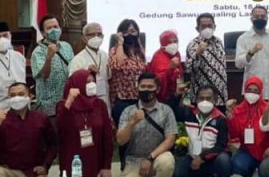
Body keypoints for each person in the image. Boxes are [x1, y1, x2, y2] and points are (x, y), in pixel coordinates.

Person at [115, 73, 177, 177]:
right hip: (134, 160)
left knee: (167, 160)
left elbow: (170, 139)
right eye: (143, 86)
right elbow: (120, 140)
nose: (146, 90)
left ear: (157, 89)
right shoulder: (128, 111)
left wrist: (150, 158)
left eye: (150, 87)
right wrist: (132, 122)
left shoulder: (166, 110)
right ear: (137, 88)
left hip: (156, 157)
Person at [0, 82, 56, 177]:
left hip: (33, 172)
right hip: (7, 171)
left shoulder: (41, 118)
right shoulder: (0, 120)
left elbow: (53, 144)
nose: (16, 98)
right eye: (12, 95)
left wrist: (45, 166)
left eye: (21, 94)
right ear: (8, 99)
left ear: (30, 97)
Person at [171, 85, 231, 177]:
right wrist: (177, 95)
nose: (204, 101)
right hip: (193, 156)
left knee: (224, 161)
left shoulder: (220, 119)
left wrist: (202, 157)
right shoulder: (189, 113)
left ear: (215, 100)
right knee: (177, 174)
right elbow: (171, 111)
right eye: (201, 98)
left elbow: (221, 145)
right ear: (196, 99)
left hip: (213, 158)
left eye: (208, 98)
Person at [226, 77, 269, 177]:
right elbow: (235, 135)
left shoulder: (268, 108)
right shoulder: (238, 109)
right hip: (247, 151)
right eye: (249, 90)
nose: (252, 93)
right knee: (237, 163)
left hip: (266, 152)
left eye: (256, 91)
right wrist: (231, 118)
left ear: (261, 92)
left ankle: (267, 172)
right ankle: (248, 174)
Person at [55, 69, 113, 177]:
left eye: (93, 81)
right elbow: (60, 128)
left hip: (96, 160)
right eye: (87, 82)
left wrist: (107, 166)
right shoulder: (64, 106)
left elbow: (107, 136)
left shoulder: (99, 105)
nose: (92, 84)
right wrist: (69, 101)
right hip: (73, 161)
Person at [108, 18, 146, 167]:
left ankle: (140, 167)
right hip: (122, 100)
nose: (130, 34)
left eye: (133, 31)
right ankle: (125, 167)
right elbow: (117, 66)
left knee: (140, 135)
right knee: (125, 137)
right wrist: (119, 43)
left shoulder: (138, 51)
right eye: (126, 31)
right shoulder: (115, 50)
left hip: (139, 100)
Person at [235, 5, 269, 99]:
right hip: (252, 90)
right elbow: (239, 64)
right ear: (251, 18)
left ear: (267, 18)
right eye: (256, 16)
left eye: (263, 16)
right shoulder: (243, 38)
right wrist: (251, 52)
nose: (260, 18)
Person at [31, 14, 74, 118]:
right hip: (49, 105)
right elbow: (44, 75)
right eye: (49, 28)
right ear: (43, 32)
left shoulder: (67, 46)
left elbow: (73, 69)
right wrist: (48, 58)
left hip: (67, 101)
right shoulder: (38, 52)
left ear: (60, 28)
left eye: (55, 27)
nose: (53, 30)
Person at [185, 13, 228, 107]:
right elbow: (189, 69)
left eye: (209, 26)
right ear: (197, 29)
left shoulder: (219, 42)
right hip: (202, 97)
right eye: (203, 26)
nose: (207, 28)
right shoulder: (193, 44)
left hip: (220, 96)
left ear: (214, 27)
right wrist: (198, 54)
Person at [68, 22, 110, 106]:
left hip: (105, 100)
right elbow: (73, 85)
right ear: (84, 38)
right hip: (87, 103)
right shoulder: (77, 60)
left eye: (99, 34)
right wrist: (87, 73)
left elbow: (109, 78)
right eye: (92, 35)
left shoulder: (105, 55)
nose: (96, 37)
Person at [149, 30, 184, 105]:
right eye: (169, 42)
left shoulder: (176, 54)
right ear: (163, 43)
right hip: (163, 98)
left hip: (177, 94)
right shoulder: (158, 56)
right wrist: (170, 68)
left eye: (175, 41)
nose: (173, 44)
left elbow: (179, 73)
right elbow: (157, 80)